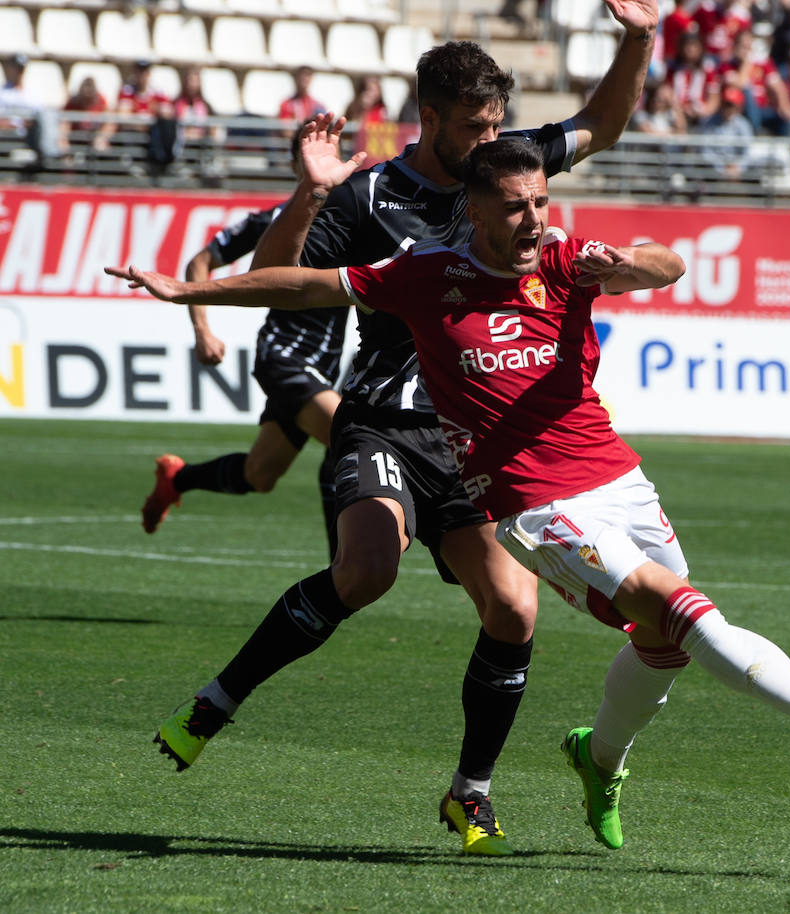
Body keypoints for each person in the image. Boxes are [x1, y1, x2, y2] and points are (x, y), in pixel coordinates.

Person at [109, 137, 790, 853]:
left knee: (664, 646)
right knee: (678, 608)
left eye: (542, 200)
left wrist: (632, 265)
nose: (534, 219)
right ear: (473, 210)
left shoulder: (569, 259)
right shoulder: (424, 274)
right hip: (536, 509)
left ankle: (598, 761)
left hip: (619, 478)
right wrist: (191, 292)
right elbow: (306, 286)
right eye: (514, 206)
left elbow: (668, 262)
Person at [136, 6, 659, 858]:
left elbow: (602, 125)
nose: (489, 138)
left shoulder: (507, 170)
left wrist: (637, 39)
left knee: (514, 609)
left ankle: (470, 794)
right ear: (431, 118)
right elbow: (293, 281)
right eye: (472, 126)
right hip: (381, 420)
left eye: (496, 122)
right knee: (367, 571)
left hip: (471, 443)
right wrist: (305, 197)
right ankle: (216, 702)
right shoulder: (372, 193)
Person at [142, 126, 344, 554]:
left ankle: (177, 478)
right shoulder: (274, 220)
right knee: (351, 439)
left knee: (260, 475)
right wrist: (203, 329)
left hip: (321, 371)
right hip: (285, 358)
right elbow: (201, 261)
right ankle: (346, 572)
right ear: (295, 166)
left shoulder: (355, 216)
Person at [1, 53, 62, 171]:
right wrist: (13, 124)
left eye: (21, 68)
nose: (18, 72)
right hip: (7, 137)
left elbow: (40, 118)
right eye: (15, 68)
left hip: (30, 137)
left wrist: (29, 124)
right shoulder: (2, 93)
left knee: (48, 116)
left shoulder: (32, 95)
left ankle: (50, 155)